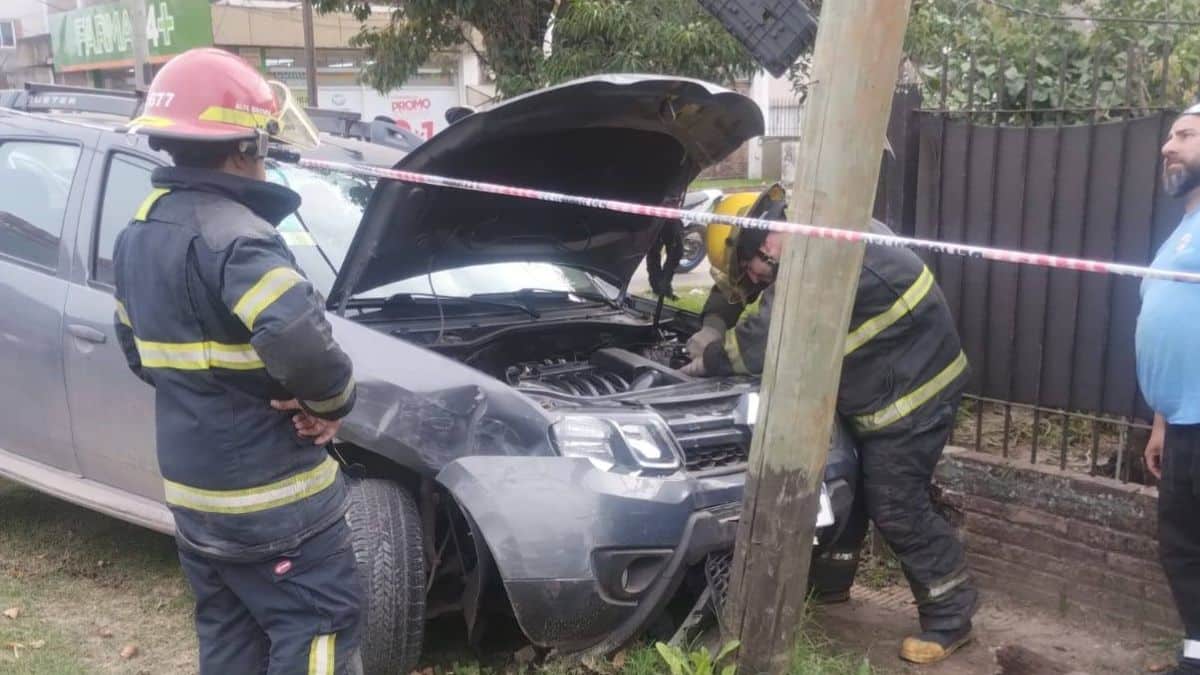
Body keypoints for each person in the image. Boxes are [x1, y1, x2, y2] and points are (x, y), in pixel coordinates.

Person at [113, 48, 362, 674]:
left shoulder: (139, 232)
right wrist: (328, 406)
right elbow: (305, 345)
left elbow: (137, 350)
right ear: (244, 148)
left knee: (230, 639)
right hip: (275, 500)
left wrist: (210, 385)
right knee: (320, 627)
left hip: (196, 497)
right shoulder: (238, 237)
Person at [682, 184, 977, 664]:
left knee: (896, 504)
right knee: (852, 482)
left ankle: (951, 617)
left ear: (763, 245)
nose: (748, 281)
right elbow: (734, 292)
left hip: (913, 398)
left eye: (747, 268)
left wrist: (711, 357)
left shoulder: (815, 260)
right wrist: (713, 321)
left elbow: (762, 343)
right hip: (885, 387)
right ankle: (833, 587)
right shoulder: (802, 233)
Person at [1138, 103, 1200, 675]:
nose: (1168, 147)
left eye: (1185, 135)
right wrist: (1160, 419)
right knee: (1182, 546)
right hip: (1181, 422)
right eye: (1168, 135)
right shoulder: (1183, 228)